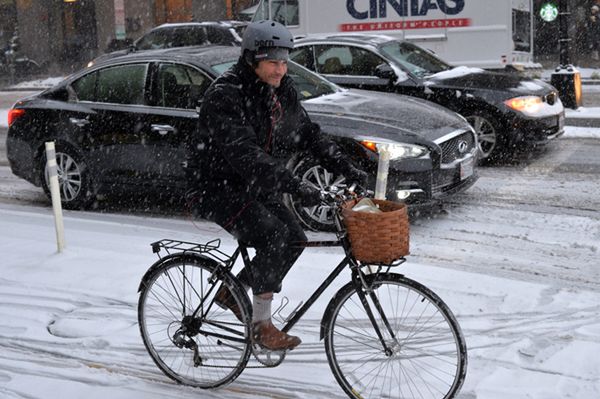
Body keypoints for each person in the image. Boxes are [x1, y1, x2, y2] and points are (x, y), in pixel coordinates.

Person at [185, 20, 368, 351]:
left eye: (284, 61)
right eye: (272, 62)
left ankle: (233, 291)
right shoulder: (226, 96)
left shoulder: (282, 91)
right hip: (218, 187)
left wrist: (346, 167)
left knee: (295, 239)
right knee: (273, 235)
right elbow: (247, 157)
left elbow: (307, 134)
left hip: (255, 185)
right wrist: (298, 186)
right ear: (252, 59)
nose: (280, 69)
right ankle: (262, 326)